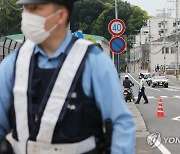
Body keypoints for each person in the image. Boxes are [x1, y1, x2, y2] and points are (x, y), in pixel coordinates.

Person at [0, 0, 135, 154]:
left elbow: (121, 124)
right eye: (26, 9)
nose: (27, 15)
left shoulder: (94, 62)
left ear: (61, 15)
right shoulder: (13, 63)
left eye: (36, 8)